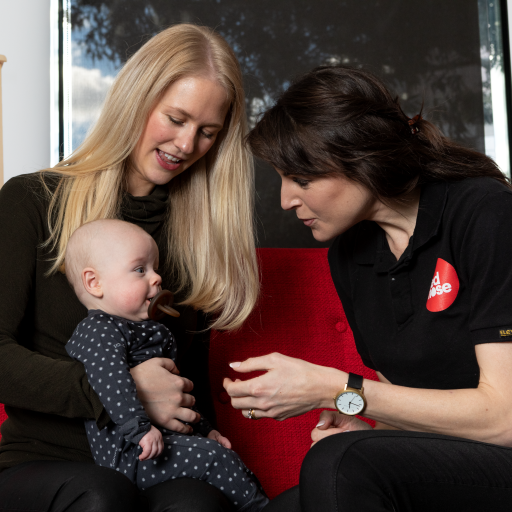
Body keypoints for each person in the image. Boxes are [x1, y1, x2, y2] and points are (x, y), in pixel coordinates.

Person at [224, 65, 512, 512]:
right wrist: (366, 426)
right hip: (455, 463)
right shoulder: (352, 255)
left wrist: (336, 389)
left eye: (300, 179)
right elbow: (410, 399)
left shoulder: (483, 213)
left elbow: (505, 418)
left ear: (359, 159)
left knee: (337, 464)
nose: (285, 200)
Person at [0, 24, 259, 512]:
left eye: (207, 132)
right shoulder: (31, 201)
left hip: (155, 457)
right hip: (44, 460)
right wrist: (122, 392)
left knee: (201, 503)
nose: (186, 145)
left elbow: (186, 380)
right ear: (135, 101)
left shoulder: (196, 239)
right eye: (176, 118)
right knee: (103, 495)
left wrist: (206, 433)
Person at [64, 219, 268, 511]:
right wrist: (138, 429)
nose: (156, 278)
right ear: (94, 283)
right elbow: (111, 383)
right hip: (132, 454)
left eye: (154, 268)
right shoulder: (98, 329)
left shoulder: (151, 330)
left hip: (162, 441)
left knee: (216, 454)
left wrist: (205, 428)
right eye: (140, 270)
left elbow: (178, 394)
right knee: (213, 458)